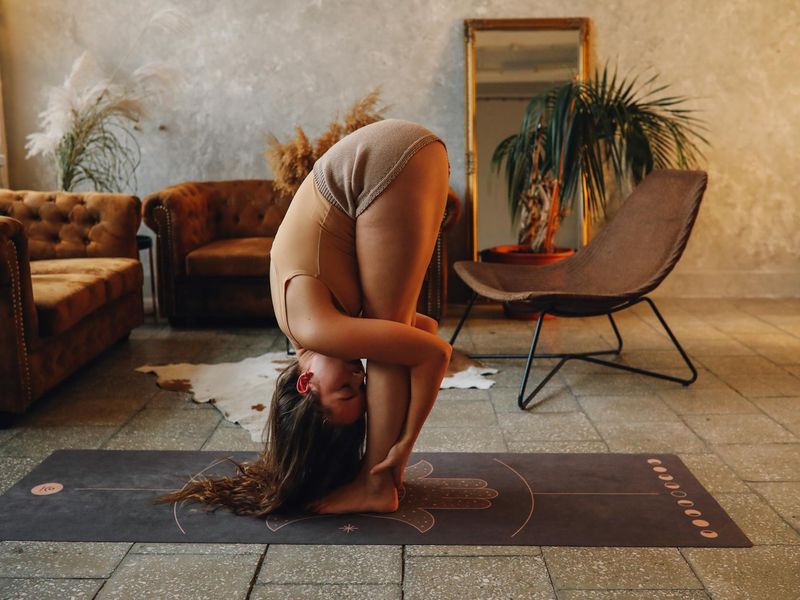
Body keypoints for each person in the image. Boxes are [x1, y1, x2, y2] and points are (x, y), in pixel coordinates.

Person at [152, 118, 452, 517]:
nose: (358, 379)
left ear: (306, 381)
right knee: (392, 342)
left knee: (389, 354)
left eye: (345, 391)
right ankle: (379, 479)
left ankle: (379, 482)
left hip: (381, 164)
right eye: (362, 392)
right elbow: (425, 329)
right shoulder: (310, 326)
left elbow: (434, 353)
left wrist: (403, 446)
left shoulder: (315, 328)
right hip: (402, 154)